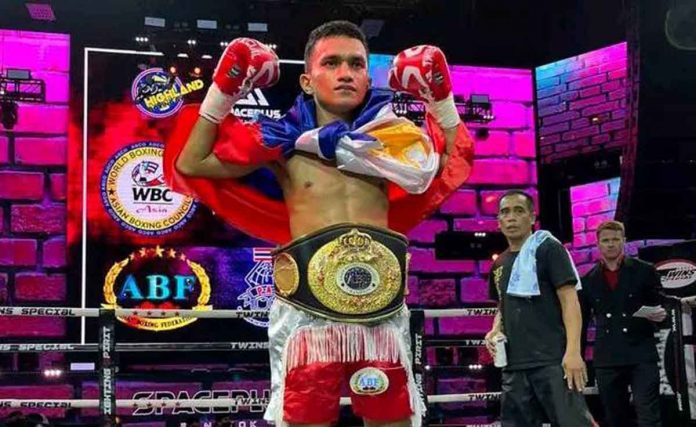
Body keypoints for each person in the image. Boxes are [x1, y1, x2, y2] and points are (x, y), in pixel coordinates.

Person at [164, 20, 475, 427]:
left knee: (393, 421)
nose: (346, 73)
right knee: (304, 422)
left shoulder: (395, 138)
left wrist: (441, 102)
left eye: (356, 64)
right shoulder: (283, 140)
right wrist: (221, 94)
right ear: (308, 81)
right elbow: (192, 162)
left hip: (379, 315)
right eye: (332, 63)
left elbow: (454, 160)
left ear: (367, 76)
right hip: (308, 318)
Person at [484, 190, 593, 426]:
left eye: (519, 211)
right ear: (498, 221)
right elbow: (502, 305)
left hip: (552, 361)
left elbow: (570, 300)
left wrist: (573, 352)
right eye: (505, 212)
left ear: (532, 217)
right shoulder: (499, 263)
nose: (511, 217)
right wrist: (494, 330)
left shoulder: (548, 249)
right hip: (513, 364)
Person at [580, 220, 666, 427]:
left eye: (615, 239)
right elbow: (581, 323)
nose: (611, 244)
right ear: (598, 245)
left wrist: (659, 317)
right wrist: (578, 357)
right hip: (608, 357)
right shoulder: (588, 280)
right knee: (615, 417)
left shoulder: (645, 271)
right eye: (606, 240)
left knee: (648, 414)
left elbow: (660, 305)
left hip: (641, 354)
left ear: (624, 241)